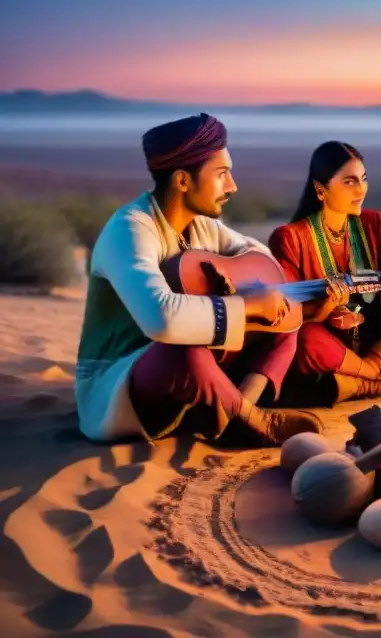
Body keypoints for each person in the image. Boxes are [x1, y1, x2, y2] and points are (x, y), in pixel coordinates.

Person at [75, 114, 322, 447]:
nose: (232, 186)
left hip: (194, 369)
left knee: (284, 322)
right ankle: (252, 418)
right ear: (182, 181)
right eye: (221, 174)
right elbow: (160, 319)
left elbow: (257, 254)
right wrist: (244, 305)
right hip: (120, 377)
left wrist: (260, 294)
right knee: (182, 349)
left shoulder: (202, 226)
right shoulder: (129, 229)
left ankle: (239, 407)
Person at [268, 141, 381, 402]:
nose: (361, 190)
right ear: (320, 190)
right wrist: (326, 307)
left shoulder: (374, 223)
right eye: (349, 182)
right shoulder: (290, 237)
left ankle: (365, 375)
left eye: (363, 179)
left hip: (376, 339)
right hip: (329, 341)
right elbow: (287, 314)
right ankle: (379, 383)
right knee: (303, 340)